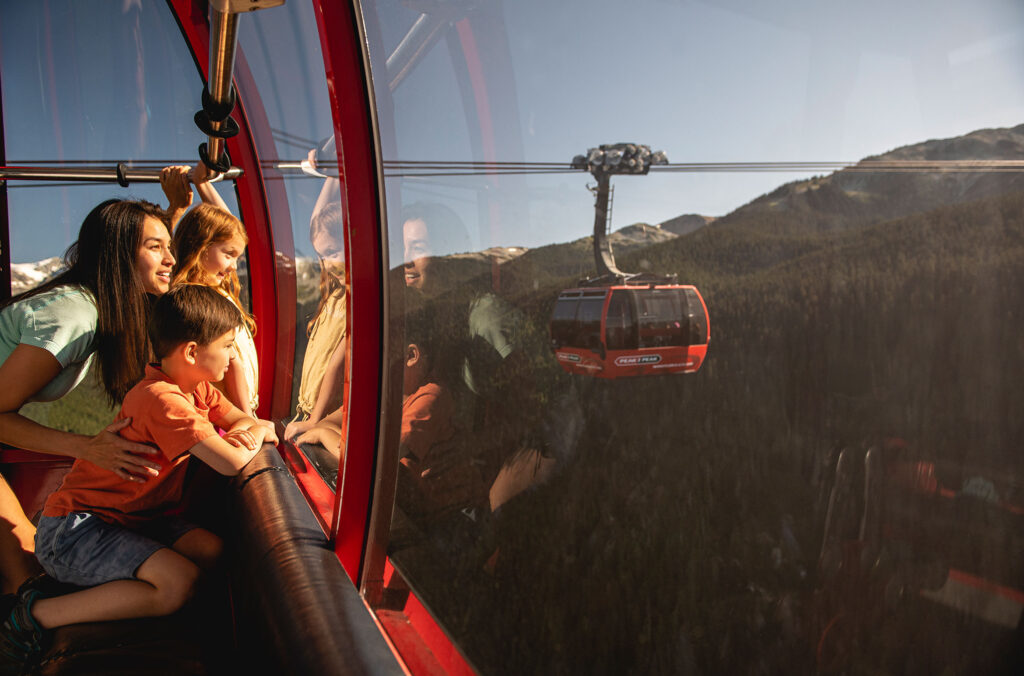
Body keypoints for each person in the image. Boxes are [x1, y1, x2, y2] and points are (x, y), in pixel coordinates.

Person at [0, 285, 277, 667]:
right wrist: (260, 431)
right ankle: (33, 615)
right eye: (229, 345)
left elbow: (240, 419)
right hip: (77, 529)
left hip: (133, 519)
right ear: (193, 352)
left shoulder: (196, 389)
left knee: (211, 550)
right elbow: (230, 460)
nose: (235, 356)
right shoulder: (163, 400)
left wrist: (252, 426)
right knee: (178, 585)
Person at [0, 199, 175, 594]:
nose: (170, 259)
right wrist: (88, 448)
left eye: (169, 246)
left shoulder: (98, 308)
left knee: (25, 564)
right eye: (154, 247)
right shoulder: (74, 316)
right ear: (119, 253)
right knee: (23, 572)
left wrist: (175, 210)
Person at [171, 187, 259, 417]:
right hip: (224, 414)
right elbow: (232, 364)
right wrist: (247, 417)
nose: (233, 266)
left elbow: (227, 227)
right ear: (200, 246)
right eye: (228, 255)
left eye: (237, 257)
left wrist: (203, 184)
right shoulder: (200, 301)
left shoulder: (216, 290)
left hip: (229, 411)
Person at [284, 201, 347, 440]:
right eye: (322, 256)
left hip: (328, 417)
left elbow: (337, 364)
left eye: (332, 252)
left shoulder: (354, 299)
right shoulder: (335, 291)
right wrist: (328, 171)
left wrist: (315, 420)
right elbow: (317, 221)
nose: (328, 264)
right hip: (309, 409)